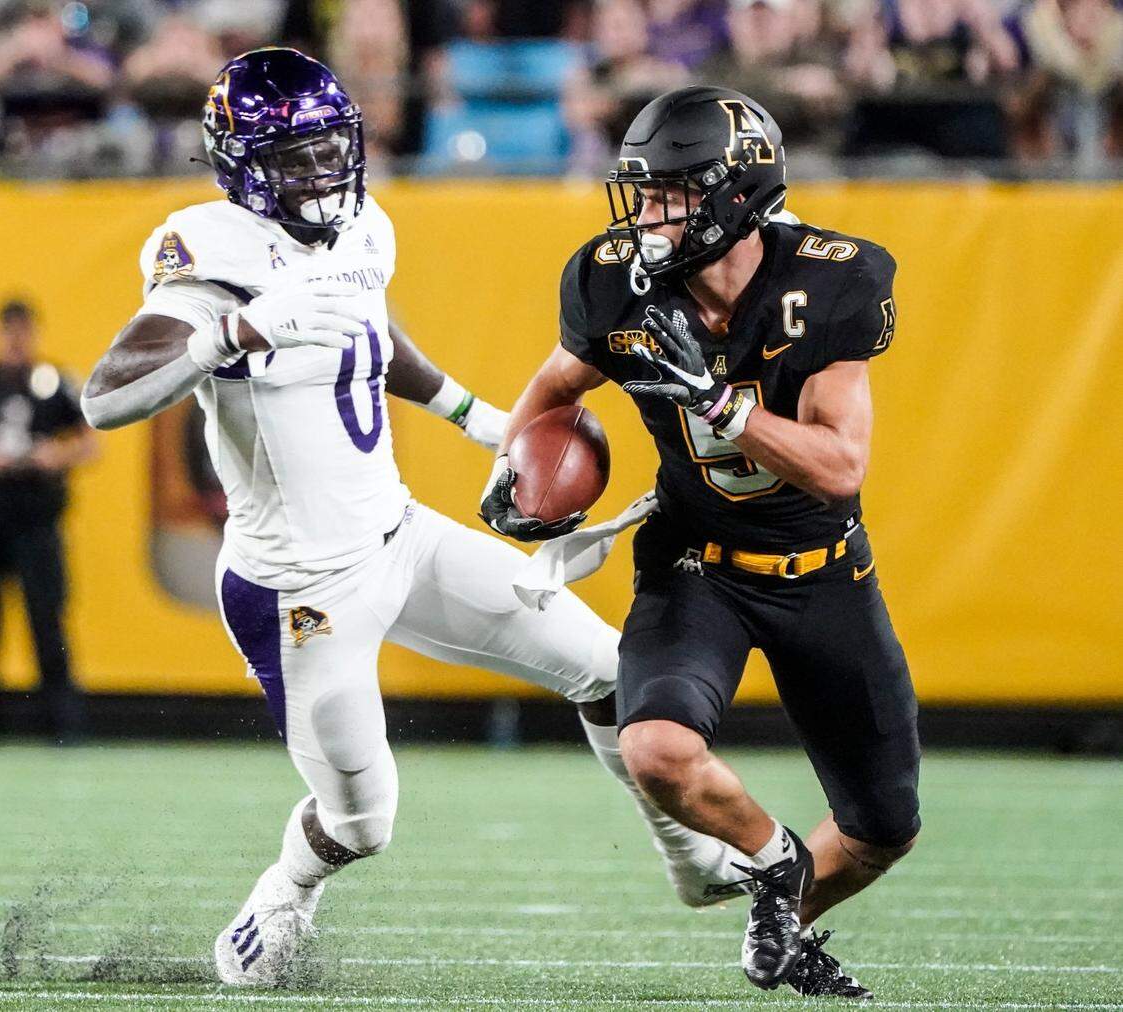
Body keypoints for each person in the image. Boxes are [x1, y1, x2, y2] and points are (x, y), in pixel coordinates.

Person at [80, 50, 763, 987]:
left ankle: (690, 863)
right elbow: (105, 398)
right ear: (238, 164)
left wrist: (487, 421)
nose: (322, 177)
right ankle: (287, 887)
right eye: (295, 159)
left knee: (610, 670)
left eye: (331, 152)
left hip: (398, 534)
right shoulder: (210, 254)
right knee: (365, 822)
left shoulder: (363, 224)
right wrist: (231, 332)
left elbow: (368, 331)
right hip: (298, 589)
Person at [481, 85, 921, 998]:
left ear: (735, 194)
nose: (648, 218)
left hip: (822, 570)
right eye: (642, 195)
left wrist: (720, 403)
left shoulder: (833, 279)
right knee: (654, 750)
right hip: (696, 565)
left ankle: (784, 917)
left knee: (884, 828)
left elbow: (839, 467)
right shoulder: (613, 280)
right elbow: (556, 385)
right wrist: (514, 468)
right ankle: (770, 866)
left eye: (672, 196)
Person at [0, 299, 98, 743]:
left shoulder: (53, 381)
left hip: (36, 518)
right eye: (8, 331)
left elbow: (91, 441)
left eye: (22, 331)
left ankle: (65, 723)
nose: (15, 340)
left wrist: (57, 454)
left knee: (48, 620)